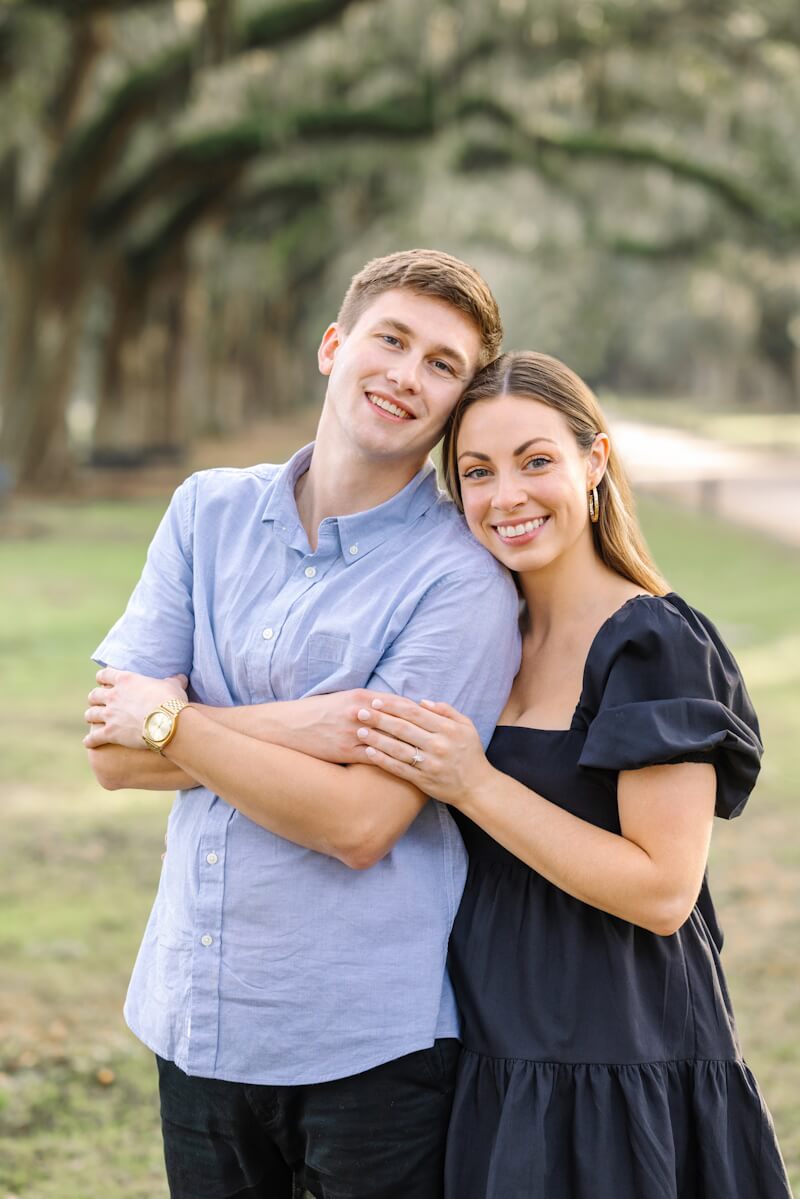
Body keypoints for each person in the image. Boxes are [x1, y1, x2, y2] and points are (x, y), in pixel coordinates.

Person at [83, 249, 522, 1199]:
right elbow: (112, 758)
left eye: (442, 364)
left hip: (365, 1047)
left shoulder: (461, 581)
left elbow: (358, 824)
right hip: (192, 1021)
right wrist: (303, 725)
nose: (408, 374)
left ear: (455, 403)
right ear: (335, 345)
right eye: (391, 339)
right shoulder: (206, 510)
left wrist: (171, 718)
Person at [349, 352, 792, 1198]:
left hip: (618, 1059)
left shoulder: (651, 643)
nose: (506, 495)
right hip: (492, 1053)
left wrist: (474, 782)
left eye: (536, 460)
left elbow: (664, 889)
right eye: (477, 472)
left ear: (595, 463)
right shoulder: (483, 636)